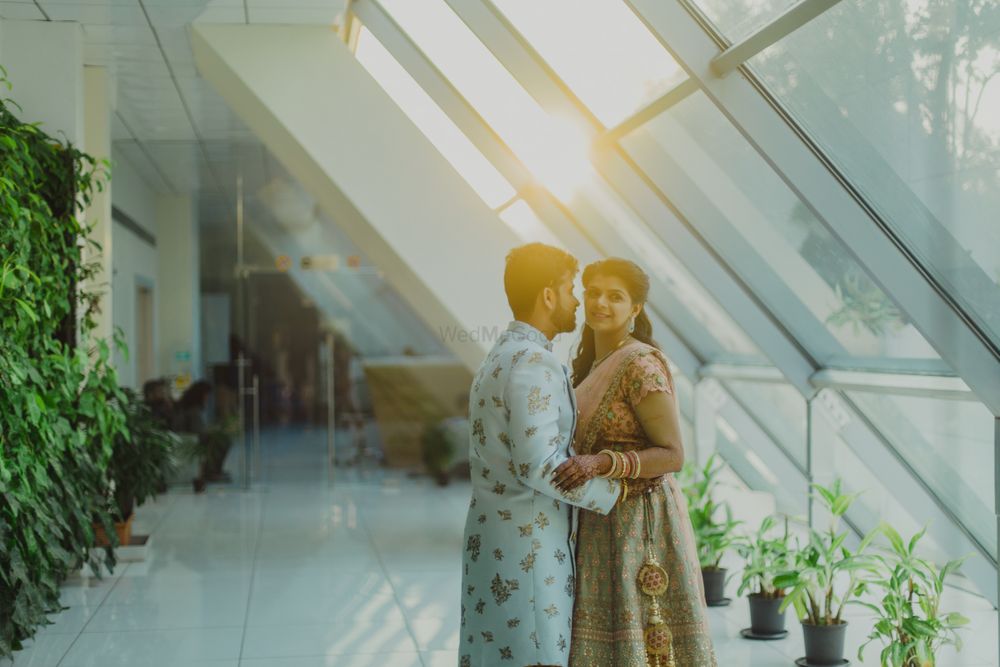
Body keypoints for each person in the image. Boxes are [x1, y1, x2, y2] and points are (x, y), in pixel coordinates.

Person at [459, 244, 623, 667]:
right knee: (535, 653)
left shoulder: (498, 356)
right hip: (526, 550)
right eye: (570, 289)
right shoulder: (534, 362)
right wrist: (616, 494)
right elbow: (538, 465)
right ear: (548, 295)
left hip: (492, 535)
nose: (576, 302)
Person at [552, 258, 717, 666]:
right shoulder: (590, 364)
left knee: (646, 637)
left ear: (636, 308)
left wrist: (600, 464)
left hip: (642, 524)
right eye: (592, 292)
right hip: (599, 518)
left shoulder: (640, 364)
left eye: (615, 296)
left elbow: (673, 455)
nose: (600, 303)